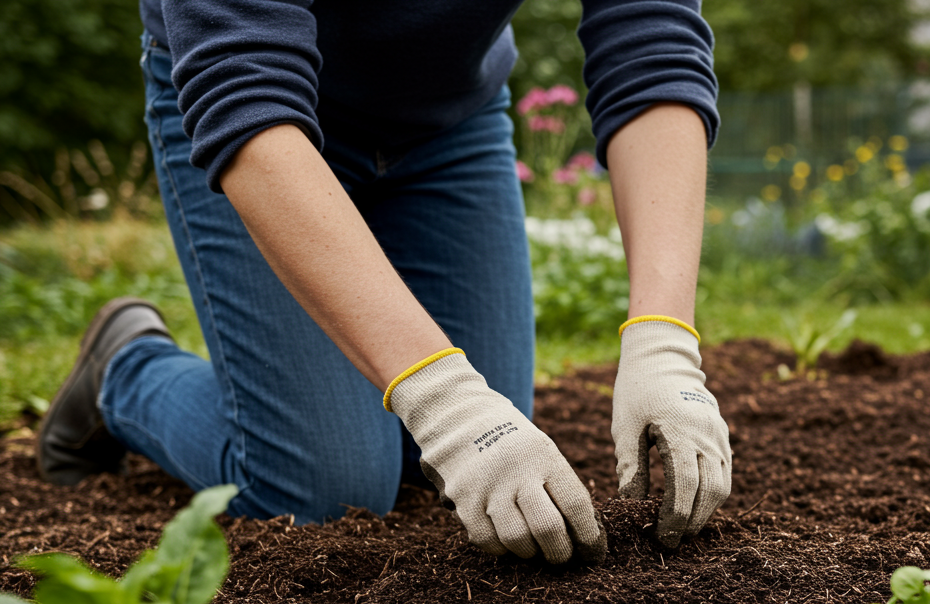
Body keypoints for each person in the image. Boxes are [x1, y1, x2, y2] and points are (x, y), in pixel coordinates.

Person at [37, 0, 733, 564]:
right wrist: (443, 399)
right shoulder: (246, 90)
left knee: (455, 455)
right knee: (327, 486)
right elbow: (242, 78)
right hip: (254, 112)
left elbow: (650, 38)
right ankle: (123, 373)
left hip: (449, 120)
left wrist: (663, 340)